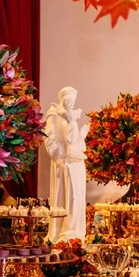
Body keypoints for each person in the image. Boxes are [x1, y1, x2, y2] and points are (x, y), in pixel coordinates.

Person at [44, 86, 89, 243]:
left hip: (76, 163)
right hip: (64, 164)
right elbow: (50, 139)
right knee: (66, 197)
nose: (70, 103)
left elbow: (76, 141)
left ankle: (76, 233)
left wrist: (81, 135)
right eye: (67, 100)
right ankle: (64, 234)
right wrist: (63, 156)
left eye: (72, 100)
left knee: (77, 197)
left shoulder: (72, 117)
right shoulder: (54, 115)